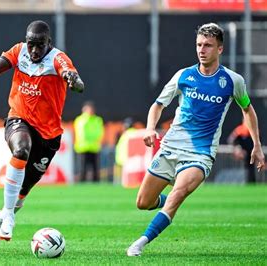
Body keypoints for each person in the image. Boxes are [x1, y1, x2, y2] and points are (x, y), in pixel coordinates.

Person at [126, 23, 265, 256]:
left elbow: (248, 110)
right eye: (199, 44)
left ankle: (140, 243)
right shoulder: (184, 76)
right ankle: (165, 203)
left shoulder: (232, 81)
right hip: (170, 148)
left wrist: (257, 146)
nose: (202, 49)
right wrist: (150, 128)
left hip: (201, 153)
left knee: (178, 194)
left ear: (219, 49)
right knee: (143, 202)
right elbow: (158, 104)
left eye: (208, 45)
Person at [0, 20, 84, 251]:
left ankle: (1, 217)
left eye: (40, 45)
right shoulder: (18, 51)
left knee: (21, 194)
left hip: (49, 135)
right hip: (19, 119)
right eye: (31, 44)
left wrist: (73, 80)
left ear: (49, 43)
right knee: (21, 149)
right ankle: (8, 216)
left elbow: (79, 84)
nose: (34, 50)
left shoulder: (58, 59)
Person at [73, 101, 104, 182]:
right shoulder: (80, 119)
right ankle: (82, 185)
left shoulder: (98, 120)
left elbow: (99, 133)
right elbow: (82, 133)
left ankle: (96, 186)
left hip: (94, 147)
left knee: (95, 169)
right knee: (82, 169)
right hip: (83, 148)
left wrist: (92, 137)